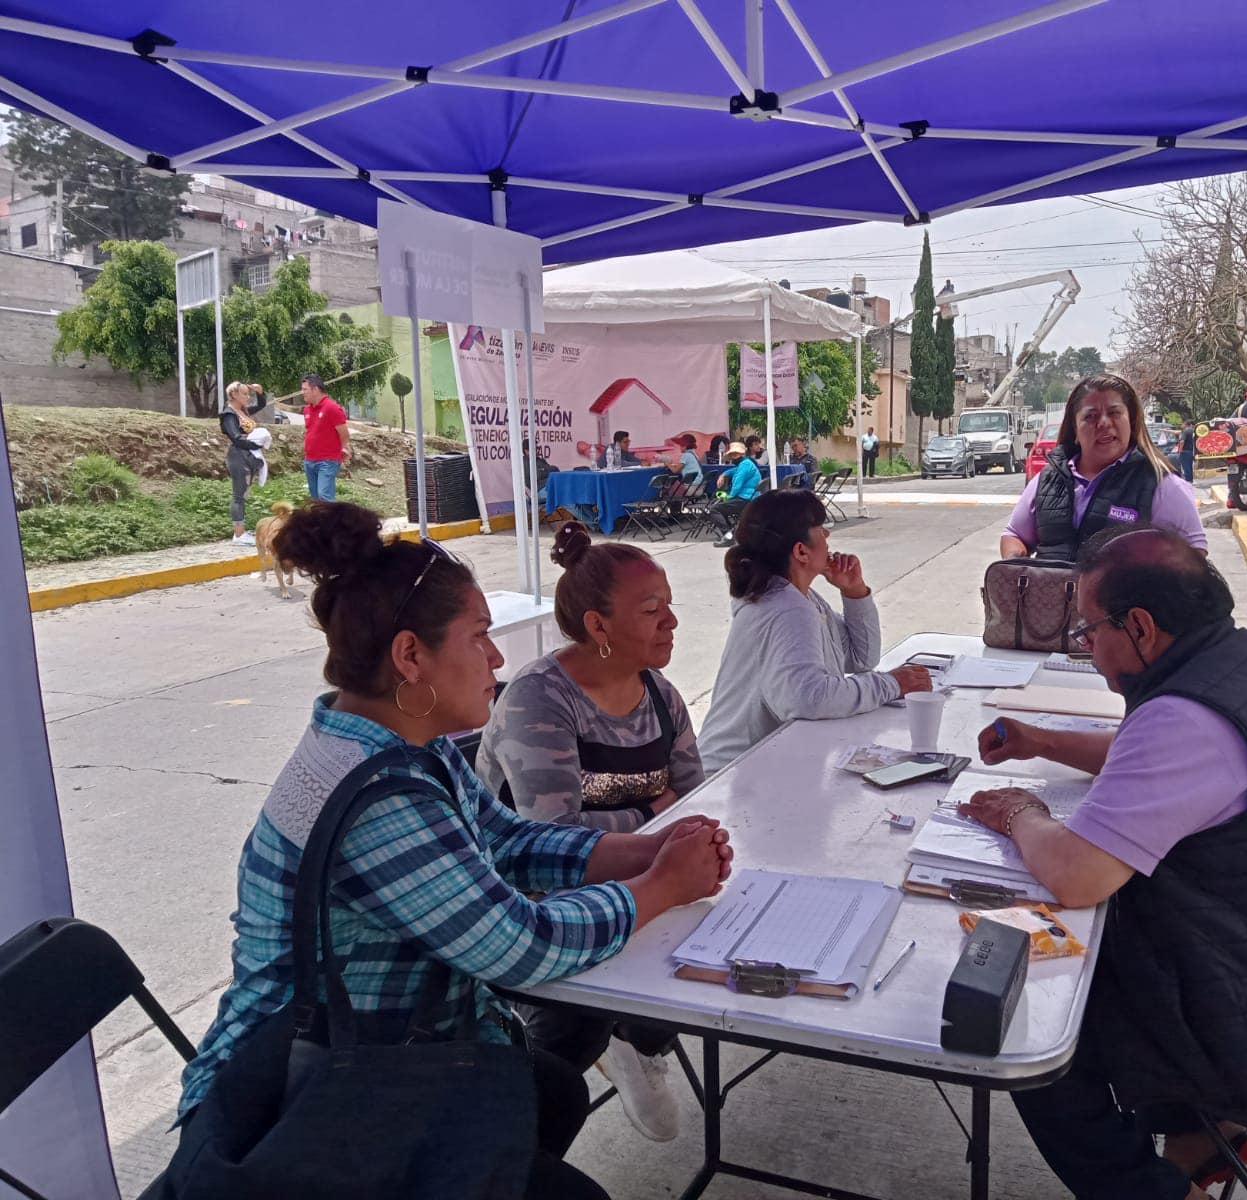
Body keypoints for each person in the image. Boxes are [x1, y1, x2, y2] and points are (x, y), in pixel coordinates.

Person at [175, 502, 733, 1197]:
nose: (497, 659)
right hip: (310, 1101)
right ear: (411, 655)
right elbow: (518, 947)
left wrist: (643, 853)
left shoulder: (404, 749)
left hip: (397, 1050)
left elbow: (505, 839)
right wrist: (660, 890)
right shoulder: (377, 798)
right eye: (479, 638)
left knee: (551, 1091)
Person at [962, 528, 1247, 1200]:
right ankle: (1201, 1133)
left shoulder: (1189, 718)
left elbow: (1078, 876)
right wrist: (1037, 740)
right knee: (1108, 950)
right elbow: (1150, 758)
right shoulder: (1235, 662)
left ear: (1138, 627)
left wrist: (1023, 815)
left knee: (1027, 1024)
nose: (1085, 645)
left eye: (1089, 629)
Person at [476, 523, 703, 1141]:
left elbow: (697, 797)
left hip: (640, 878)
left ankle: (640, 1042)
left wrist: (664, 819)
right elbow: (552, 837)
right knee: (566, 1040)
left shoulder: (661, 696)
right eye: (652, 611)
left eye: (670, 606)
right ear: (599, 627)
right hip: (541, 903)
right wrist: (653, 814)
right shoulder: (539, 701)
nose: (672, 622)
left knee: (697, 952)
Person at [698, 490, 933, 773]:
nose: (827, 535)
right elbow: (807, 697)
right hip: (733, 772)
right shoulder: (785, 607)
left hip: (759, 766)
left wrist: (855, 592)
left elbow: (860, 659)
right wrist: (892, 685)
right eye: (820, 529)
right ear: (801, 551)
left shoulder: (800, 599)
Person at [1000, 373, 1206, 561]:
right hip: (1050, 601)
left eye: (1114, 413)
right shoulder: (1047, 481)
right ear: (1075, 428)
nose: (1104, 423)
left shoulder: (1163, 485)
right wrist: (1014, 563)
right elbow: (1014, 535)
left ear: (1132, 421)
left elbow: (1195, 552)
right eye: (1091, 416)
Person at [219, 380, 271, 545]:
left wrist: (260, 392)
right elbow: (235, 437)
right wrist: (256, 443)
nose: (247, 397)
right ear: (233, 394)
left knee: (244, 494)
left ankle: (241, 531)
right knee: (238, 496)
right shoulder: (229, 414)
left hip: (248, 454)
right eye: (244, 394)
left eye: (248, 394)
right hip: (238, 455)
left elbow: (262, 404)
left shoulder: (243, 411)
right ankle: (239, 535)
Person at [298, 373, 349, 502]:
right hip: (310, 460)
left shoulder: (332, 408)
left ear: (315, 389)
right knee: (315, 498)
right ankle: (319, 522)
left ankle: (330, 522)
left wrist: (343, 448)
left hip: (327, 460)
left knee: (324, 496)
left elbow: (344, 433)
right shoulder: (307, 409)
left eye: (305, 389)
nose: (302, 392)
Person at [709, 441, 761, 547]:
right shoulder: (746, 463)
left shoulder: (744, 465)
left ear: (741, 454)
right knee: (720, 507)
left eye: (736, 454)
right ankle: (730, 535)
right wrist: (723, 474)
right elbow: (734, 470)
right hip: (751, 498)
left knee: (714, 509)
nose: (733, 457)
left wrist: (729, 497)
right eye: (732, 454)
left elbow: (737, 485)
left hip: (745, 499)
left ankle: (728, 537)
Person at [1176, 418, 1196, 483]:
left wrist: (1180, 450)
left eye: (1183, 423)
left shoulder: (1186, 430)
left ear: (1187, 424)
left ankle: (1188, 480)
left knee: (1186, 466)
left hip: (1185, 451)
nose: (1182, 425)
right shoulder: (1193, 430)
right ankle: (1190, 479)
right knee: (1189, 466)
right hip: (1191, 451)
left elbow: (1182, 441)